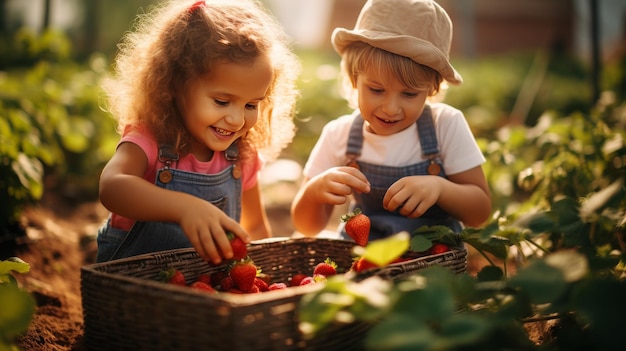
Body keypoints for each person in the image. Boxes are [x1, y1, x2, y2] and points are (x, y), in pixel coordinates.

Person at [96, 0, 300, 264]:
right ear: (175, 86)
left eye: (251, 104)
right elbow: (112, 187)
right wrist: (183, 208)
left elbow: (255, 230)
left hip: (201, 293)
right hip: (131, 291)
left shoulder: (241, 157)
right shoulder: (150, 140)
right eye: (222, 102)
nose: (237, 119)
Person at [291, 0, 491, 242]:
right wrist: (314, 192)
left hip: (433, 264)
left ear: (431, 89)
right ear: (355, 79)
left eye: (409, 94)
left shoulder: (445, 126)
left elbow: (479, 212)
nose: (391, 108)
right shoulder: (339, 135)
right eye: (376, 90)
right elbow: (307, 227)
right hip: (365, 264)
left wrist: (440, 188)